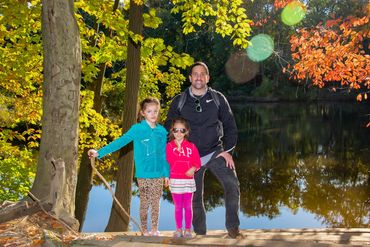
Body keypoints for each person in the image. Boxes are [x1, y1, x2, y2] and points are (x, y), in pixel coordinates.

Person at [165, 61, 242, 238]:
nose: (199, 77)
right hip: (188, 156)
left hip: (215, 151)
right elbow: (168, 128)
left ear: (207, 77)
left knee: (232, 183)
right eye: (195, 74)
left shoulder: (218, 98)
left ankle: (233, 227)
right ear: (190, 78)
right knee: (194, 197)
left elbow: (230, 126)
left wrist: (227, 151)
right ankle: (200, 234)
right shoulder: (180, 100)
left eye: (202, 74)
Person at [88, 97, 169, 237]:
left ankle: (155, 229)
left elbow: (164, 155)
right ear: (143, 113)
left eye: (156, 111)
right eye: (149, 111)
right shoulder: (137, 129)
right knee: (145, 202)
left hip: (158, 173)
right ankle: (144, 230)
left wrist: (167, 173)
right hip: (144, 173)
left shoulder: (161, 131)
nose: (153, 114)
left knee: (156, 202)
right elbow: (120, 142)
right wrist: (99, 152)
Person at [166, 117, 201, 238]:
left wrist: (193, 168)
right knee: (178, 207)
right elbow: (166, 164)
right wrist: (166, 176)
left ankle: (188, 229)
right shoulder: (169, 146)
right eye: (176, 130)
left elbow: (197, 162)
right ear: (172, 131)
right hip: (175, 180)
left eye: (182, 130)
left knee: (187, 206)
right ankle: (178, 229)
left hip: (188, 181)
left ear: (186, 131)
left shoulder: (191, 146)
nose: (179, 133)